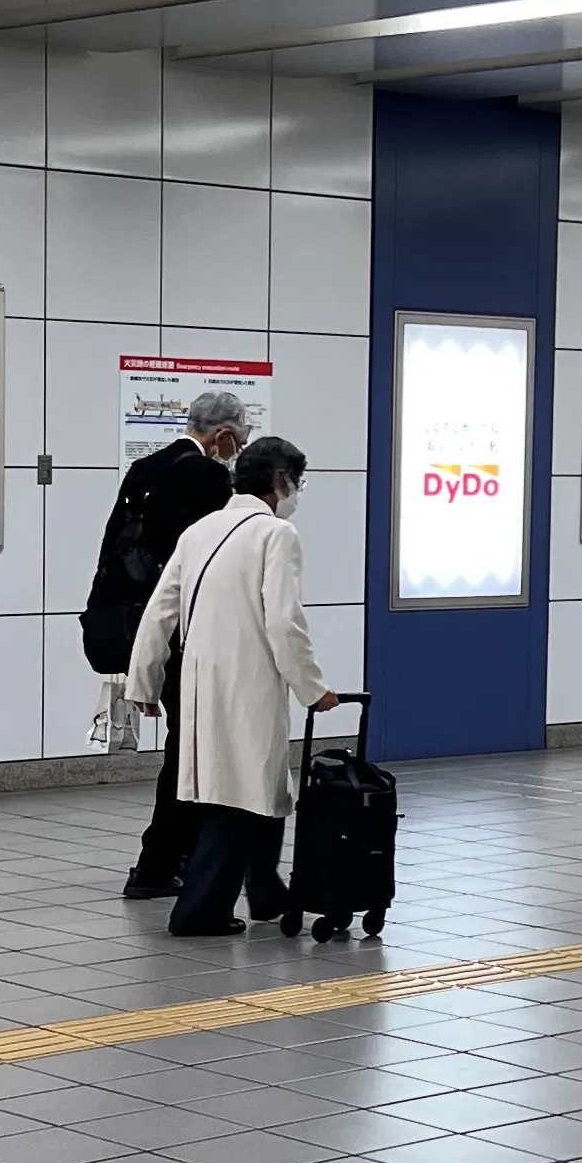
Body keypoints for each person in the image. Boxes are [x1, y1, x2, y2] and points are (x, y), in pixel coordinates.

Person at [127, 434, 335, 935]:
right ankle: (199, 911)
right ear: (280, 482)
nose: (296, 494)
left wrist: (144, 681)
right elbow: (284, 622)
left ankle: (265, 893)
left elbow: (161, 611)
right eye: (297, 483)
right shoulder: (275, 536)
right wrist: (313, 688)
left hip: (199, 682)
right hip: (250, 680)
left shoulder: (201, 529)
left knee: (249, 788)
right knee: (240, 793)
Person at [89, 389, 247, 898]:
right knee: (189, 748)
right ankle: (160, 862)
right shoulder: (206, 477)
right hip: (183, 631)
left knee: (185, 745)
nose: (238, 451)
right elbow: (203, 563)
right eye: (239, 441)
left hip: (138, 622)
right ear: (222, 435)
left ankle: (170, 858)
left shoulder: (145, 467)